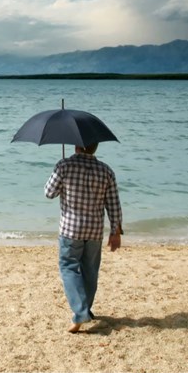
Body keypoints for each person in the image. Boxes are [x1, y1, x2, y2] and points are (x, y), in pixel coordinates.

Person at [45, 142, 123, 333]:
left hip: (71, 230)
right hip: (94, 230)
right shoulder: (106, 171)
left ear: (76, 146)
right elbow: (113, 203)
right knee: (90, 271)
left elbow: (49, 193)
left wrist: (62, 176)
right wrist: (116, 231)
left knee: (68, 267)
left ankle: (80, 312)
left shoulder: (64, 166)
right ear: (94, 147)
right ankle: (85, 309)